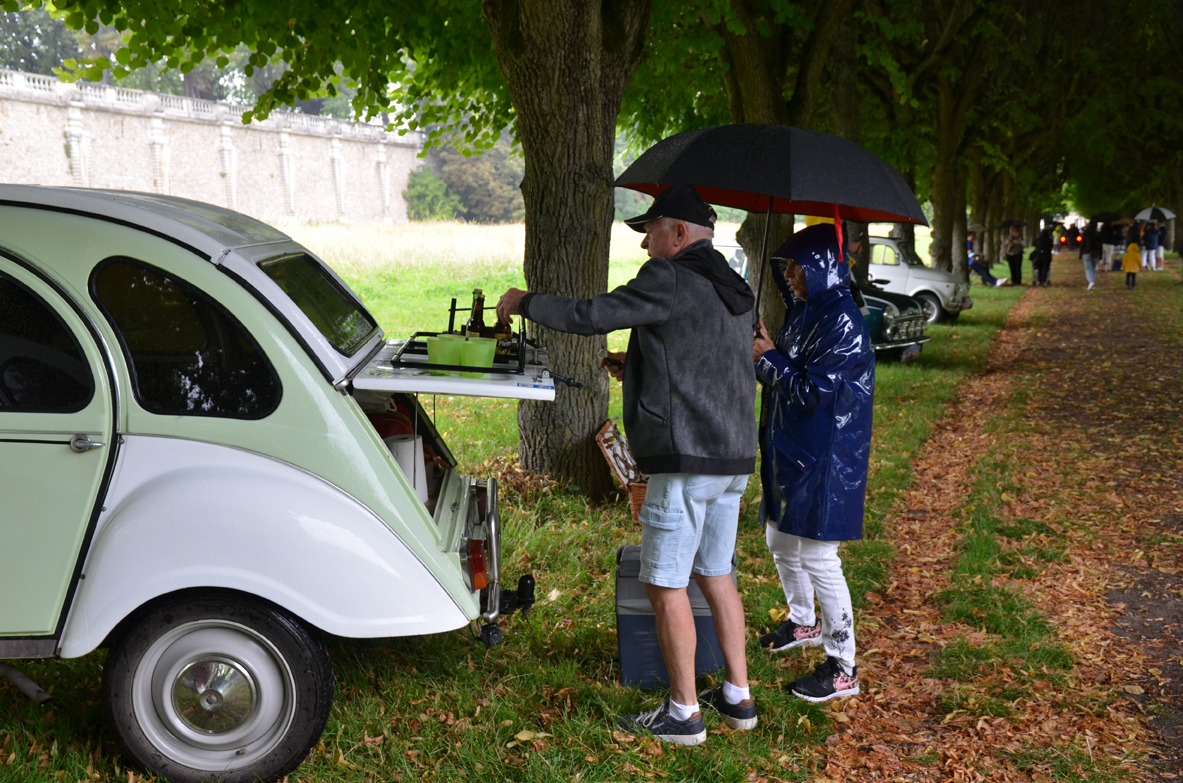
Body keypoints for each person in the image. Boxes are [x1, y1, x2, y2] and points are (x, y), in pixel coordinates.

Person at [495, 185, 758, 745]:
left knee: (665, 586)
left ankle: (684, 713)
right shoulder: (736, 287)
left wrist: (525, 302)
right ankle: (738, 696)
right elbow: (702, 357)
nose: (644, 243)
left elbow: (593, 314)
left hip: (685, 462)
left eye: (651, 230)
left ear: (680, 233)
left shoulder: (669, 277)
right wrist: (636, 364)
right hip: (732, 459)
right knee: (717, 575)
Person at [752, 224, 874, 703]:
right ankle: (804, 621)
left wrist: (770, 360)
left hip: (828, 457)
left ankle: (843, 666)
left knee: (820, 556)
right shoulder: (806, 313)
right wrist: (769, 349)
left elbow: (813, 392)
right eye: (784, 266)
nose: (788, 274)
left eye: (796, 266)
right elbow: (786, 371)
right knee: (779, 537)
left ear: (821, 267)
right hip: (796, 451)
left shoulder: (840, 320)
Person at [1081, 221, 1100, 290]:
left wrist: (1081, 253)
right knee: (1094, 268)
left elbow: (1082, 243)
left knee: (1088, 268)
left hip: (1086, 252)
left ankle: (1091, 281)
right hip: (1096, 252)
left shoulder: (1086, 233)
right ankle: (1093, 282)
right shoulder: (1097, 233)